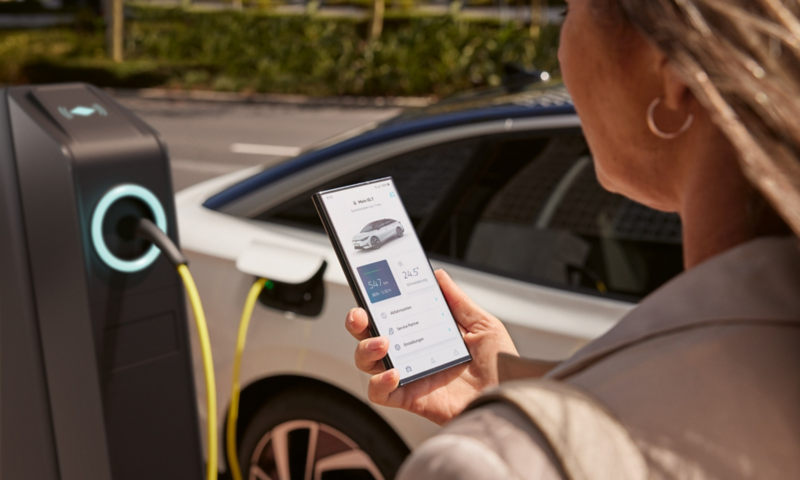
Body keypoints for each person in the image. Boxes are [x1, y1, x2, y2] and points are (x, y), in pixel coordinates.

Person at [346, 0, 800, 478]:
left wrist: (526, 423)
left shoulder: (498, 462)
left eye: (567, 12)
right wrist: (505, 381)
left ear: (673, 78)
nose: (559, 56)